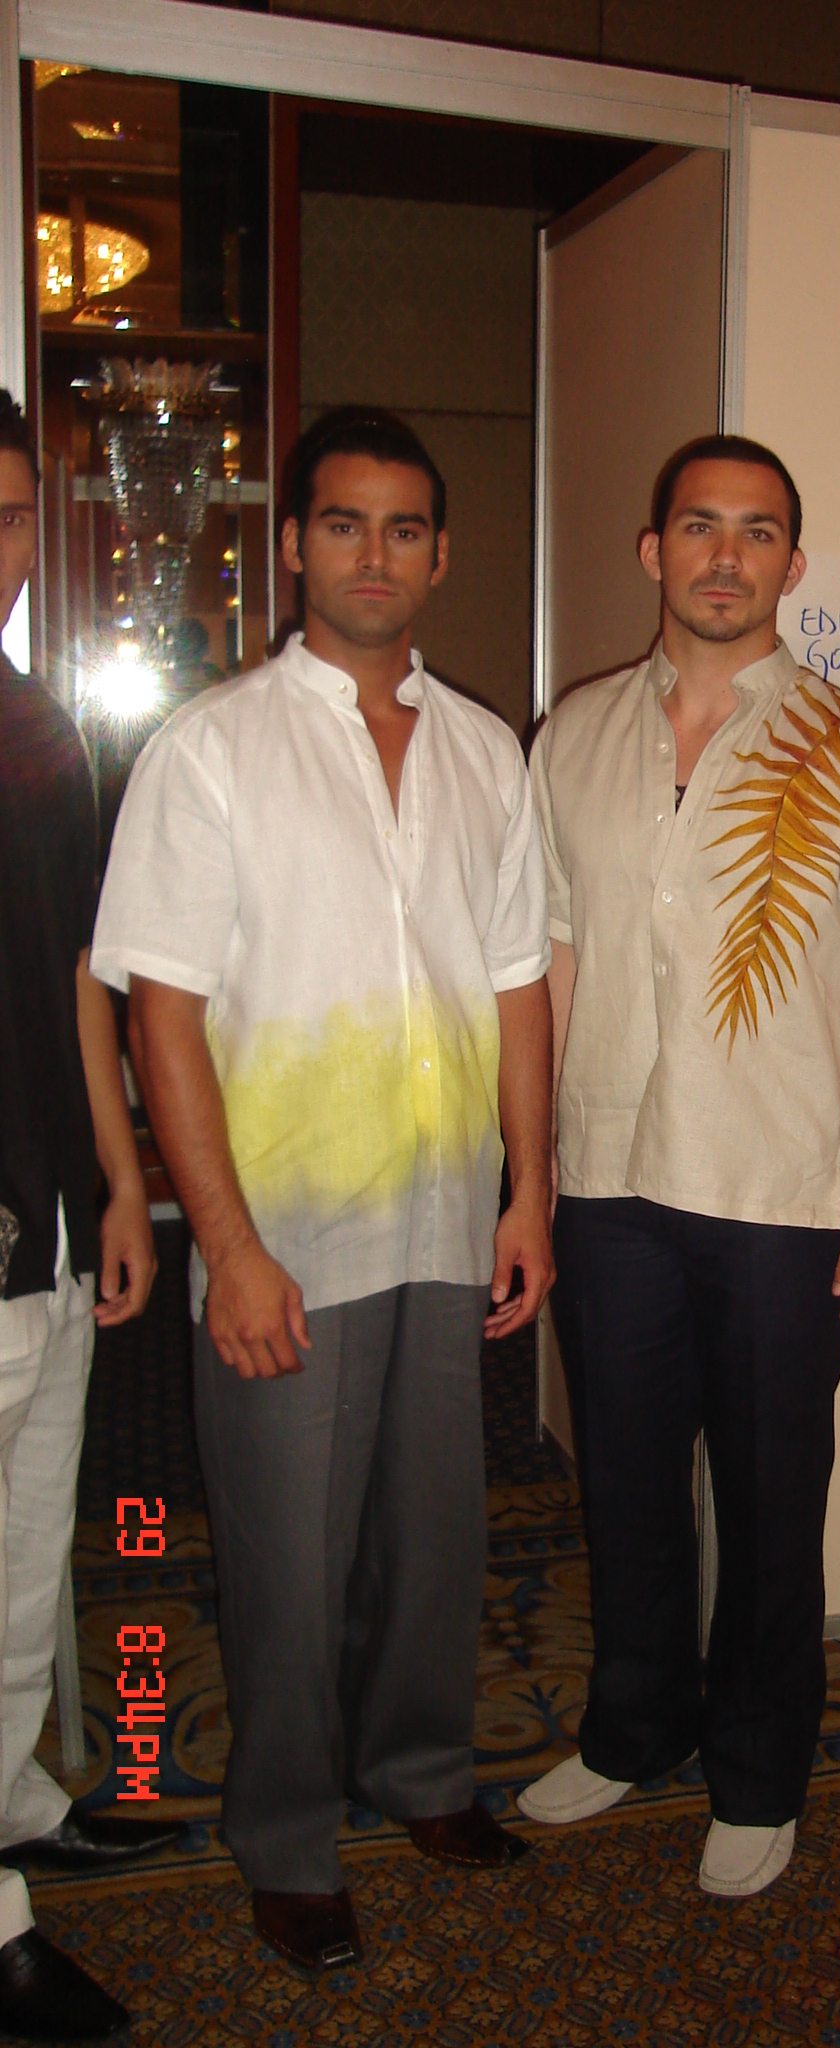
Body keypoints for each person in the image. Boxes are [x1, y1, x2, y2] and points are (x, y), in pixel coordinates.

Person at [91, 408, 555, 1975]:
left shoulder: (486, 750)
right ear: (293, 546)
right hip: (281, 1235)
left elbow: (517, 984)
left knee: (436, 1534)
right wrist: (223, 1244)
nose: (374, 555)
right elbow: (161, 1012)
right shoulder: (211, 748)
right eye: (344, 524)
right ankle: (286, 1835)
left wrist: (530, 1193)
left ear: (441, 554)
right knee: (283, 1552)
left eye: (403, 528)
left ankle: (420, 1773)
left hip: (445, 1218)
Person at [518, 435, 840, 1897]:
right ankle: (635, 1727)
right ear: (654, 550)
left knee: (773, 1500)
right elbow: (555, 957)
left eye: (758, 531)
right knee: (627, 1484)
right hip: (607, 1181)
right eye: (700, 527)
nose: (726, 555)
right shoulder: (573, 735)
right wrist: (534, 1168)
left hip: (779, 1194)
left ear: (793, 563)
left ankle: (761, 1776)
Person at [0, 390, 175, 2041]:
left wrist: (122, 1184)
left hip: (43, 1220)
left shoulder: (37, 727)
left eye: (4, 520)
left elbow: (77, 976)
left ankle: (14, 1805)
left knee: (21, 1562)